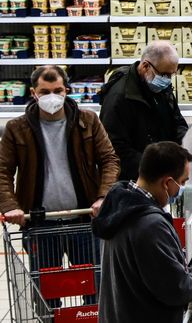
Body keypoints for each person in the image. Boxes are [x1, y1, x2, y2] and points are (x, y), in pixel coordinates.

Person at [0, 65, 120, 304]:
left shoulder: (88, 120)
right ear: (33, 93)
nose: (51, 97)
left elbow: (109, 160)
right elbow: (2, 170)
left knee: (95, 289)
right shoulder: (17, 128)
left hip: (84, 220)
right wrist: (9, 205)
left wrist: (103, 196)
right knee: (47, 295)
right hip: (40, 224)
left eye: (57, 90)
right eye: (44, 92)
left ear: (67, 90)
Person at [96, 143, 192, 322]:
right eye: (183, 182)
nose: (182, 188)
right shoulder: (149, 225)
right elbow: (176, 290)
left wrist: (190, 273)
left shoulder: (120, 208)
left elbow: (146, 271)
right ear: (167, 183)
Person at [99, 40, 188, 181]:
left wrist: (185, 143)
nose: (168, 80)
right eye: (165, 75)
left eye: (172, 75)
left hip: (162, 175)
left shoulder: (160, 87)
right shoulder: (119, 98)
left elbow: (176, 119)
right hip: (137, 179)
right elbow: (116, 149)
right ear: (146, 66)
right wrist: (156, 167)